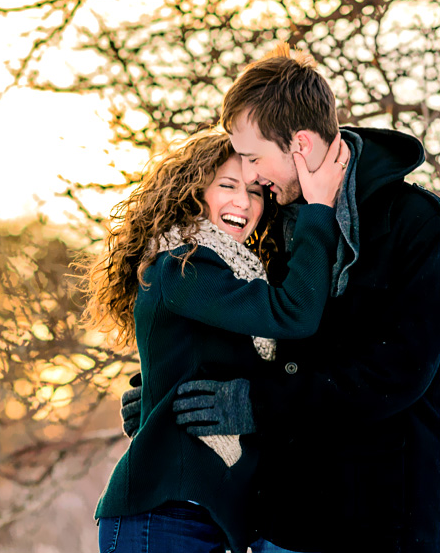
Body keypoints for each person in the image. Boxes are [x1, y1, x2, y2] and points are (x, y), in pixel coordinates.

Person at [126, 44, 440, 552]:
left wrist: (256, 404)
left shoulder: (417, 224)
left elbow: (397, 374)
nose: (250, 178)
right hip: (285, 522)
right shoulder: (279, 222)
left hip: (386, 520)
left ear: (298, 143)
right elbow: (248, 332)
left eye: (252, 158)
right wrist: (167, 390)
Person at [79, 128, 347, 553]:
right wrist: (319, 210)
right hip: (164, 517)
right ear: (193, 192)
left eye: (256, 191)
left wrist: (154, 392)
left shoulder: (232, 273)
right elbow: (294, 312)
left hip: (210, 519)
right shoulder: (184, 265)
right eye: (227, 186)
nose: (243, 202)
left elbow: (204, 358)